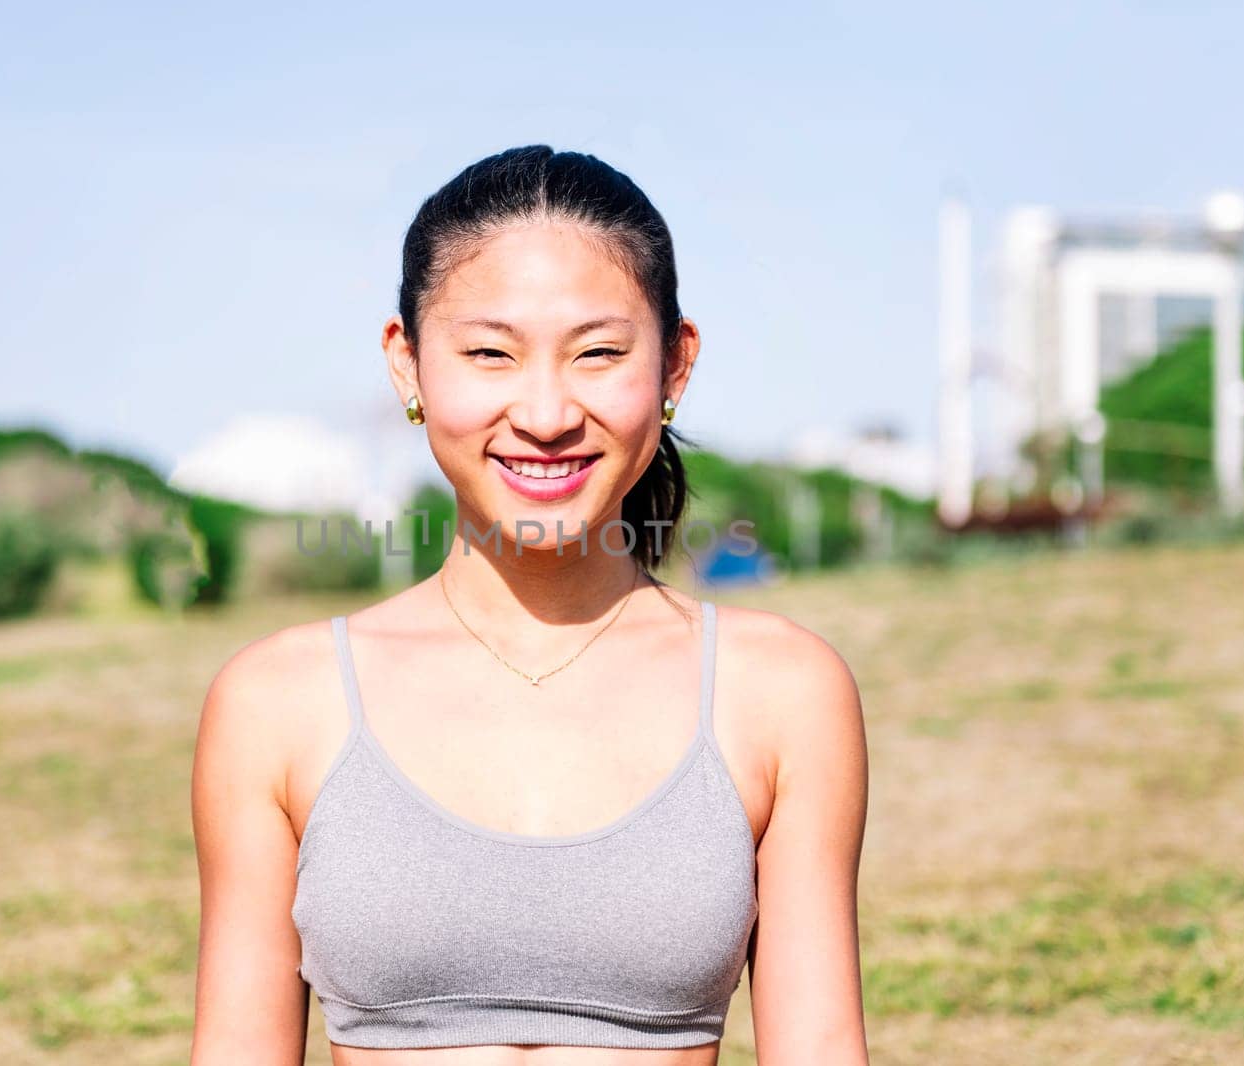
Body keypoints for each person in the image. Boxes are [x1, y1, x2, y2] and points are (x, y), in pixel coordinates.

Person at [190, 145, 870, 1065]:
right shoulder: (277, 701)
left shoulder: (783, 691)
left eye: (598, 353)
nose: (546, 412)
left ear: (675, 366)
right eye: (488, 353)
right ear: (407, 365)